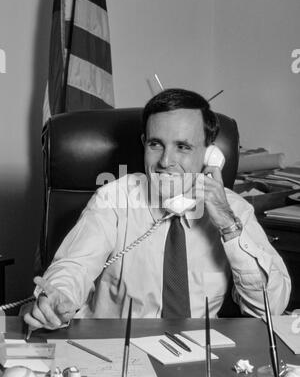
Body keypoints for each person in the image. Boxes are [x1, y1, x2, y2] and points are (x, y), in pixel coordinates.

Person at [24, 88, 291, 331]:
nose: (165, 161)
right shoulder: (113, 198)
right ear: (144, 143)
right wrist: (59, 297)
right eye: (155, 144)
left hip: (199, 353)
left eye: (183, 147)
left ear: (210, 155)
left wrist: (227, 225)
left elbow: (269, 308)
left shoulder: (233, 209)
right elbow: (76, 266)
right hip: (115, 348)